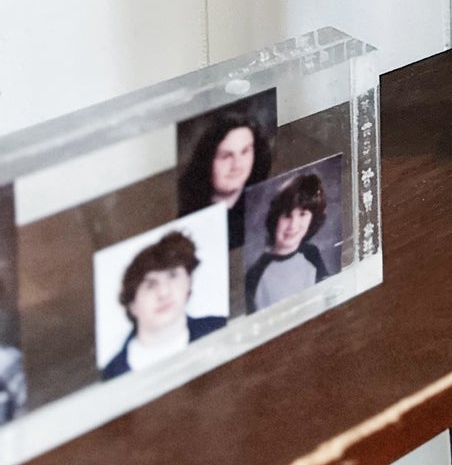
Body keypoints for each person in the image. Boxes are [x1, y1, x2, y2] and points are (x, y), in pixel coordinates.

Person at [100, 231, 226, 380]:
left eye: (172, 275)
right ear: (131, 304)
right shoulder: (111, 374)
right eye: (150, 285)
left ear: (188, 283)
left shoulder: (221, 328)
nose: (164, 292)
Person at [177, 107, 272, 250]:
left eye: (245, 151)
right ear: (207, 161)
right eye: (226, 156)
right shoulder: (188, 221)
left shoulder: (267, 206)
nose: (237, 165)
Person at [244, 173, 333, 314]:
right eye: (287, 215)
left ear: (313, 218)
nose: (293, 225)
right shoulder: (255, 275)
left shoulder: (311, 254)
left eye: (302, 214)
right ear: (275, 219)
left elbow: (328, 297)